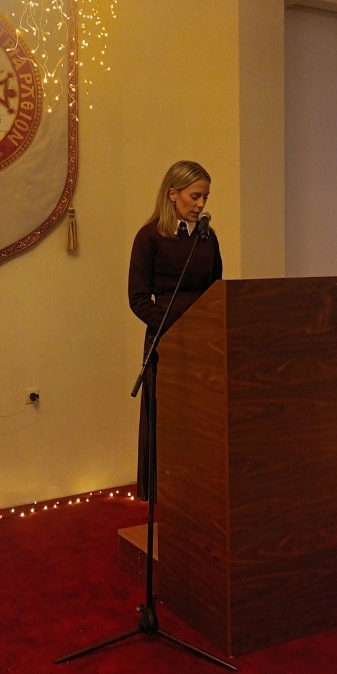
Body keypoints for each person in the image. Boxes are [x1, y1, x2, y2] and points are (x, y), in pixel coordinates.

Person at [128, 160, 223, 500]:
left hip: (204, 343)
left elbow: (216, 289)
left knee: (202, 421)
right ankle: (165, 495)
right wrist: (177, 327)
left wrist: (207, 328)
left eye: (205, 197)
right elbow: (138, 299)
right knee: (169, 421)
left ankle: (200, 493)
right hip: (166, 342)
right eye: (195, 196)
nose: (201, 204)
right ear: (173, 194)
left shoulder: (207, 238)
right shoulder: (149, 237)